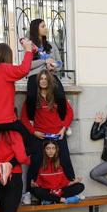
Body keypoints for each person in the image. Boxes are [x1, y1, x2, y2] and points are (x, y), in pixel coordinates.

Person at [0, 40, 37, 185]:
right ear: (6, 56)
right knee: (32, 143)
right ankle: (8, 165)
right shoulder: (4, 69)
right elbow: (24, 70)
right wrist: (28, 50)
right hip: (7, 121)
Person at [21, 69, 75, 202]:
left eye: (46, 79)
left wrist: (63, 129)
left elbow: (70, 113)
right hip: (40, 136)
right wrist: (34, 132)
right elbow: (23, 118)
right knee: (35, 162)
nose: (43, 81)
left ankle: (71, 187)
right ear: (38, 81)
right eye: (41, 79)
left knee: (65, 160)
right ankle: (28, 192)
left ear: (50, 81)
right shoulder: (33, 98)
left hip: (57, 135)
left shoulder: (57, 96)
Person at [25, 18, 67, 125]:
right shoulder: (29, 45)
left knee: (61, 96)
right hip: (35, 75)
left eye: (45, 26)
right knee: (31, 96)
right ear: (36, 29)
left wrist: (53, 66)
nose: (46, 28)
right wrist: (44, 61)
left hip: (50, 75)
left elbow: (60, 63)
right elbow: (28, 65)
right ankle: (31, 120)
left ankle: (63, 122)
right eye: (42, 26)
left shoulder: (52, 45)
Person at [29, 140, 85, 204]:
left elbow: (65, 182)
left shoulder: (60, 163)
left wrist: (75, 182)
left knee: (80, 186)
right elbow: (38, 184)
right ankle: (63, 200)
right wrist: (34, 185)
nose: (51, 151)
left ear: (56, 150)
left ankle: (51, 200)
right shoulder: (39, 163)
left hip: (60, 190)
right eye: (48, 148)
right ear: (44, 150)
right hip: (48, 191)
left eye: (53, 148)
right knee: (37, 191)